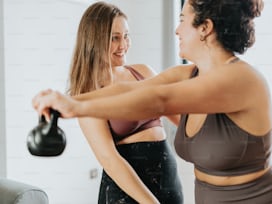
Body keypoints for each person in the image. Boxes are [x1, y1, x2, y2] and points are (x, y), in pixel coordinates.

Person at [32, 0, 272, 203]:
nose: (176, 28)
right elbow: (129, 90)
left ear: (205, 28)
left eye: (182, 19)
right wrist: (65, 100)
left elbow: (158, 100)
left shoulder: (241, 79)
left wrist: (76, 107)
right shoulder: (189, 74)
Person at [57, 2, 183, 204]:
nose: (123, 45)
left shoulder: (143, 72)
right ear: (95, 40)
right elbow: (110, 159)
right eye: (115, 38)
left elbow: (182, 119)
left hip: (168, 182)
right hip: (126, 193)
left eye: (126, 36)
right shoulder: (89, 92)